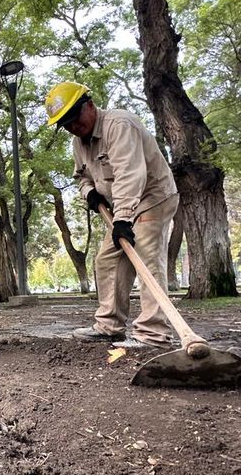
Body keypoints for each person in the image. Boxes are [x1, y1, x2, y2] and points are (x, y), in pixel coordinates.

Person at [44, 82, 178, 347]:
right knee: (106, 260)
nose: (73, 126)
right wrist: (90, 194)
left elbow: (130, 174)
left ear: (89, 104)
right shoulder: (78, 143)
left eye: (75, 117)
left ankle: (153, 334)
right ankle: (109, 326)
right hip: (121, 208)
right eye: (65, 123)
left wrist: (123, 219)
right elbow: (81, 177)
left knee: (147, 258)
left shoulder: (119, 125)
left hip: (152, 197)